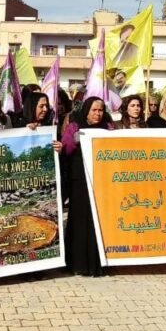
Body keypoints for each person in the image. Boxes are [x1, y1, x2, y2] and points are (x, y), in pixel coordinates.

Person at [59, 97, 113, 276]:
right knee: (80, 220)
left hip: (100, 181)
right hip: (80, 181)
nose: (98, 114)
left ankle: (99, 263)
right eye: (94, 110)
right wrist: (73, 141)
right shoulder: (76, 126)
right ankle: (78, 264)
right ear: (87, 110)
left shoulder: (108, 128)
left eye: (100, 110)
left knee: (98, 221)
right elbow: (65, 149)